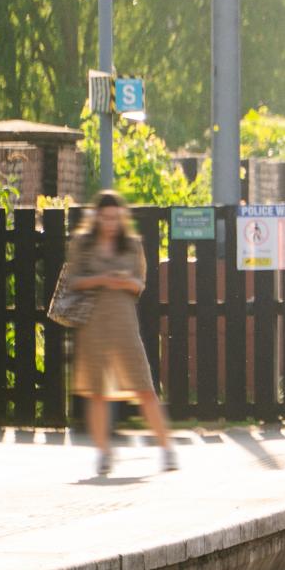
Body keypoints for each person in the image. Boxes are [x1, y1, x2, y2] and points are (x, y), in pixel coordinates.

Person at [66, 191, 174, 476]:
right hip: (93, 325)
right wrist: (101, 279)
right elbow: (72, 281)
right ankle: (103, 453)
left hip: (124, 324)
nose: (110, 222)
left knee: (143, 387)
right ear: (97, 217)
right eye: (105, 217)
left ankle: (166, 447)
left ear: (121, 218)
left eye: (115, 217)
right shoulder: (82, 244)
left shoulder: (131, 245)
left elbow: (140, 284)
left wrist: (124, 282)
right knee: (97, 391)